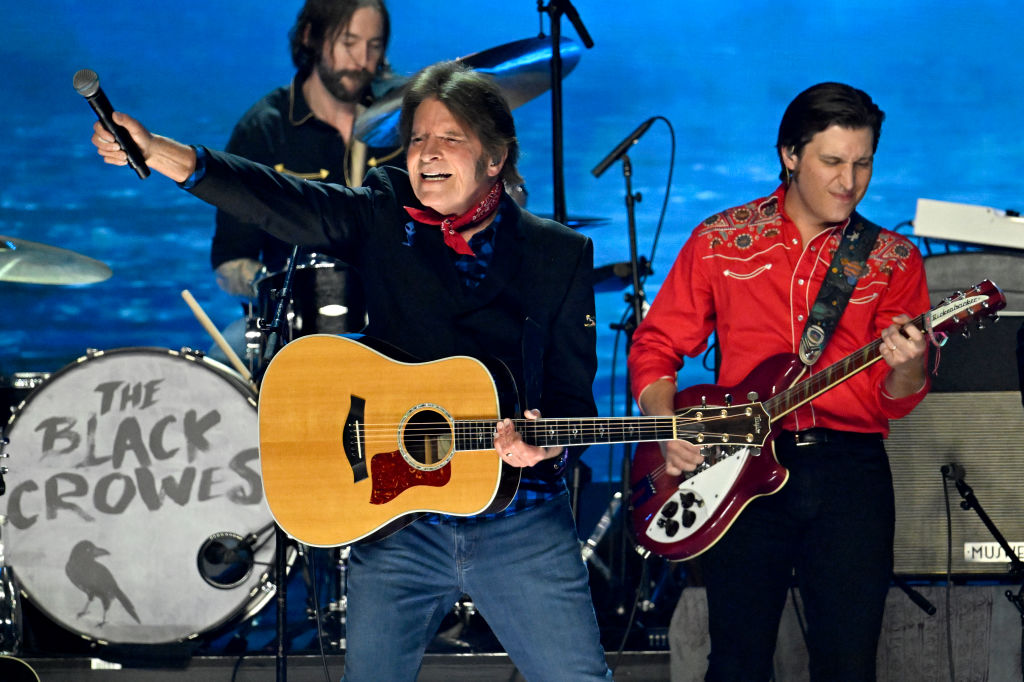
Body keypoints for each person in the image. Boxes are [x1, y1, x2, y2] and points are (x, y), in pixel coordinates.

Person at [91, 61, 612, 681]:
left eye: (450, 138)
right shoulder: (383, 215)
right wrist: (160, 152)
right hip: (399, 519)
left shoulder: (559, 252)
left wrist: (542, 437)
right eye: (418, 138)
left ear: (495, 158)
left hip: (521, 522)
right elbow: (277, 200)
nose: (427, 153)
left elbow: (575, 402)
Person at [628, 83, 931, 681]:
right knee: (738, 661)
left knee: (849, 665)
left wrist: (910, 360)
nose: (850, 181)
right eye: (833, 162)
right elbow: (656, 345)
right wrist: (668, 426)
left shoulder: (893, 258)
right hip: (737, 467)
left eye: (863, 163)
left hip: (851, 471)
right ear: (790, 154)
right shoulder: (720, 241)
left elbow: (898, 401)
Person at [211, 0, 399, 304]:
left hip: (395, 311)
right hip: (300, 319)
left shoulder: (402, 115)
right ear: (311, 36)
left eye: (374, 46)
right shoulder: (264, 130)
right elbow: (230, 263)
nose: (362, 61)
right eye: (348, 43)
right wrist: (281, 288)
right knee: (225, 350)